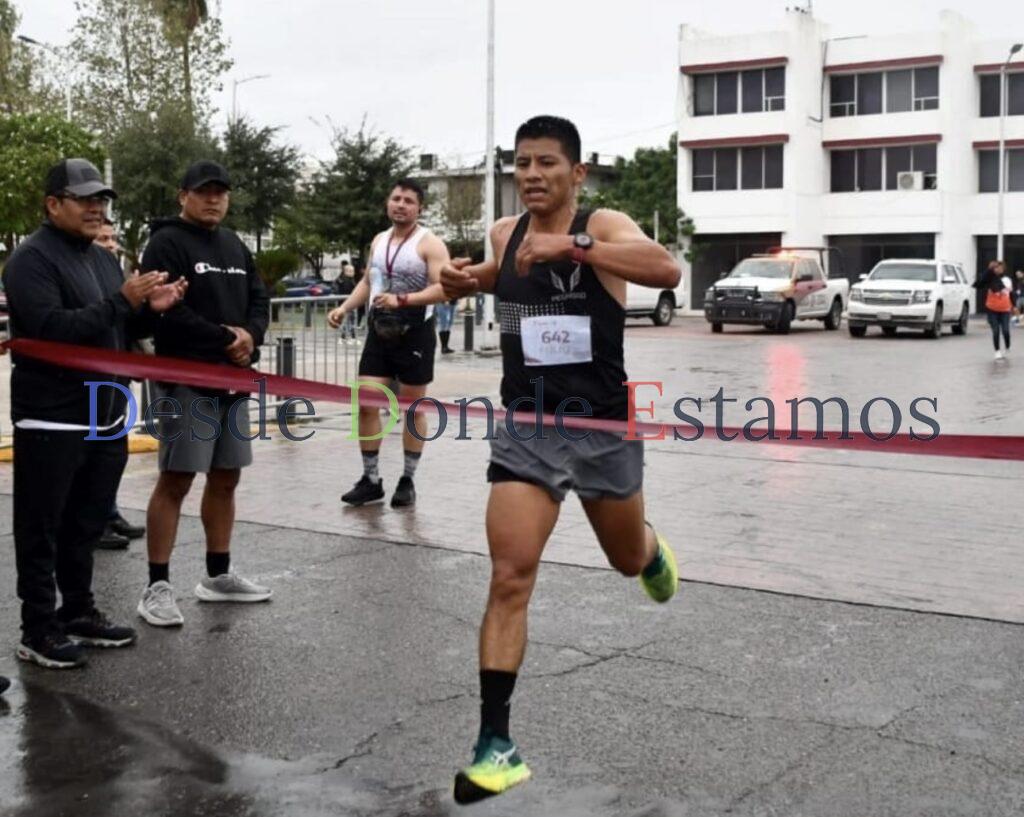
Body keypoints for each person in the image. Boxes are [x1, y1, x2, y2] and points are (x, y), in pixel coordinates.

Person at [439, 116, 682, 804]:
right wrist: (465, 281)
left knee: (626, 559)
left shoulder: (603, 226)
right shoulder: (502, 232)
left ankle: (651, 548)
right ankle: (497, 744)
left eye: (547, 163)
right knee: (510, 575)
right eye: (521, 163)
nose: (532, 174)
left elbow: (667, 268)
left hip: (602, 427)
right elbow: (507, 278)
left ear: (576, 173)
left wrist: (572, 247)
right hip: (527, 426)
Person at [3, 158, 185, 668]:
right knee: (42, 525)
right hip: (51, 415)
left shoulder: (103, 261)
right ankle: (38, 627)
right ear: (53, 204)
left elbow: (115, 329)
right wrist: (124, 302)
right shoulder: (29, 261)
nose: (96, 208)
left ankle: (78, 611)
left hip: (105, 412)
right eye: (84, 198)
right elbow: (51, 330)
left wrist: (152, 309)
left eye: (100, 199)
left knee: (86, 522)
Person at [137, 160, 272, 628]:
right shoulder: (165, 243)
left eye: (221, 192)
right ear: (183, 195)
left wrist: (250, 337)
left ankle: (218, 576)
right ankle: (157, 586)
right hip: (185, 380)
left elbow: (259, 297)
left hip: (232, 378)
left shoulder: (235, 243)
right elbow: (165, 313)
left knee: (227, 476)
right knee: (177, 479)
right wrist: (225, 338)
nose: (213, 199)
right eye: (203, 191)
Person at [327, 179, 451, 508]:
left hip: (415, 334)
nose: (400, 205)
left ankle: (408, 479)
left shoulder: (430, 244)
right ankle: (371, 479)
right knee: (367, 403)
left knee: (411, 409)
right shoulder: (379, 240)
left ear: (419, 208)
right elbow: (369, 281)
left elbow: (444, 289)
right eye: (395, 198)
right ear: (387, 202)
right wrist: (344, 308)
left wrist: (403, 299)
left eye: (408, 201)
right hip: (379, 333)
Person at [92, 217, 147, 550]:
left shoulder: (112, 270)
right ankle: (93, 520)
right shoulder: (80, 272)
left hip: (117, 372)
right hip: (90, 377)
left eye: (112, 238)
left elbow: (128, 321)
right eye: (102, 239)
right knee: (94, 452)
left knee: (114, 450)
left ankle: (108, 512)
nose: (111, 245)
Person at [974, 260, 1014, 360]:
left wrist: (1014, 305)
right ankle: (997, 351)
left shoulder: (1007, 280)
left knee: (1005, 330)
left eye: (1000, 267)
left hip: (1005, 309)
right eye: (995, 267)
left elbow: (1010, 294)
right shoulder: (989, 278)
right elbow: (981, 284)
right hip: (992, 309)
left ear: (1003, 269)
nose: (998, 269)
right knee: (995, 331)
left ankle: (1007, 345)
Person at [335, 261, 358, 341]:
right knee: (348, 320)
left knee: (350, 320)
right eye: (350, 271)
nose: (352, 273)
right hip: (348, 303)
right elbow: (351, 291)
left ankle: (349, 336)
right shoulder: (347, 281)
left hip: (349, 303)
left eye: (353, 271)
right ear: (345, 272)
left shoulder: (348, 280)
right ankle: (346, 336)